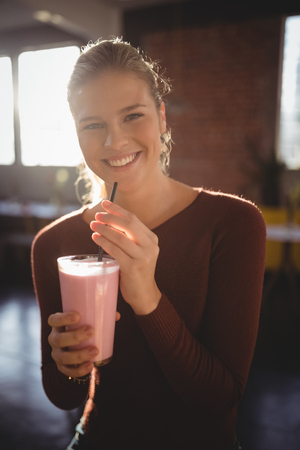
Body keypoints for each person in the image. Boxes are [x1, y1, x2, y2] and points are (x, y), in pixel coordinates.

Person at [31, 37, 266, 450]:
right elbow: (63, 395)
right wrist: (67, 365)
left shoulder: (232, 224)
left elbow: (221, 398)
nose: (114, 141)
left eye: (133, 116)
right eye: (93, 124)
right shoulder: (54, 244)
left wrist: (147, 296)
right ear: (77, 134)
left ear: (161, 117)